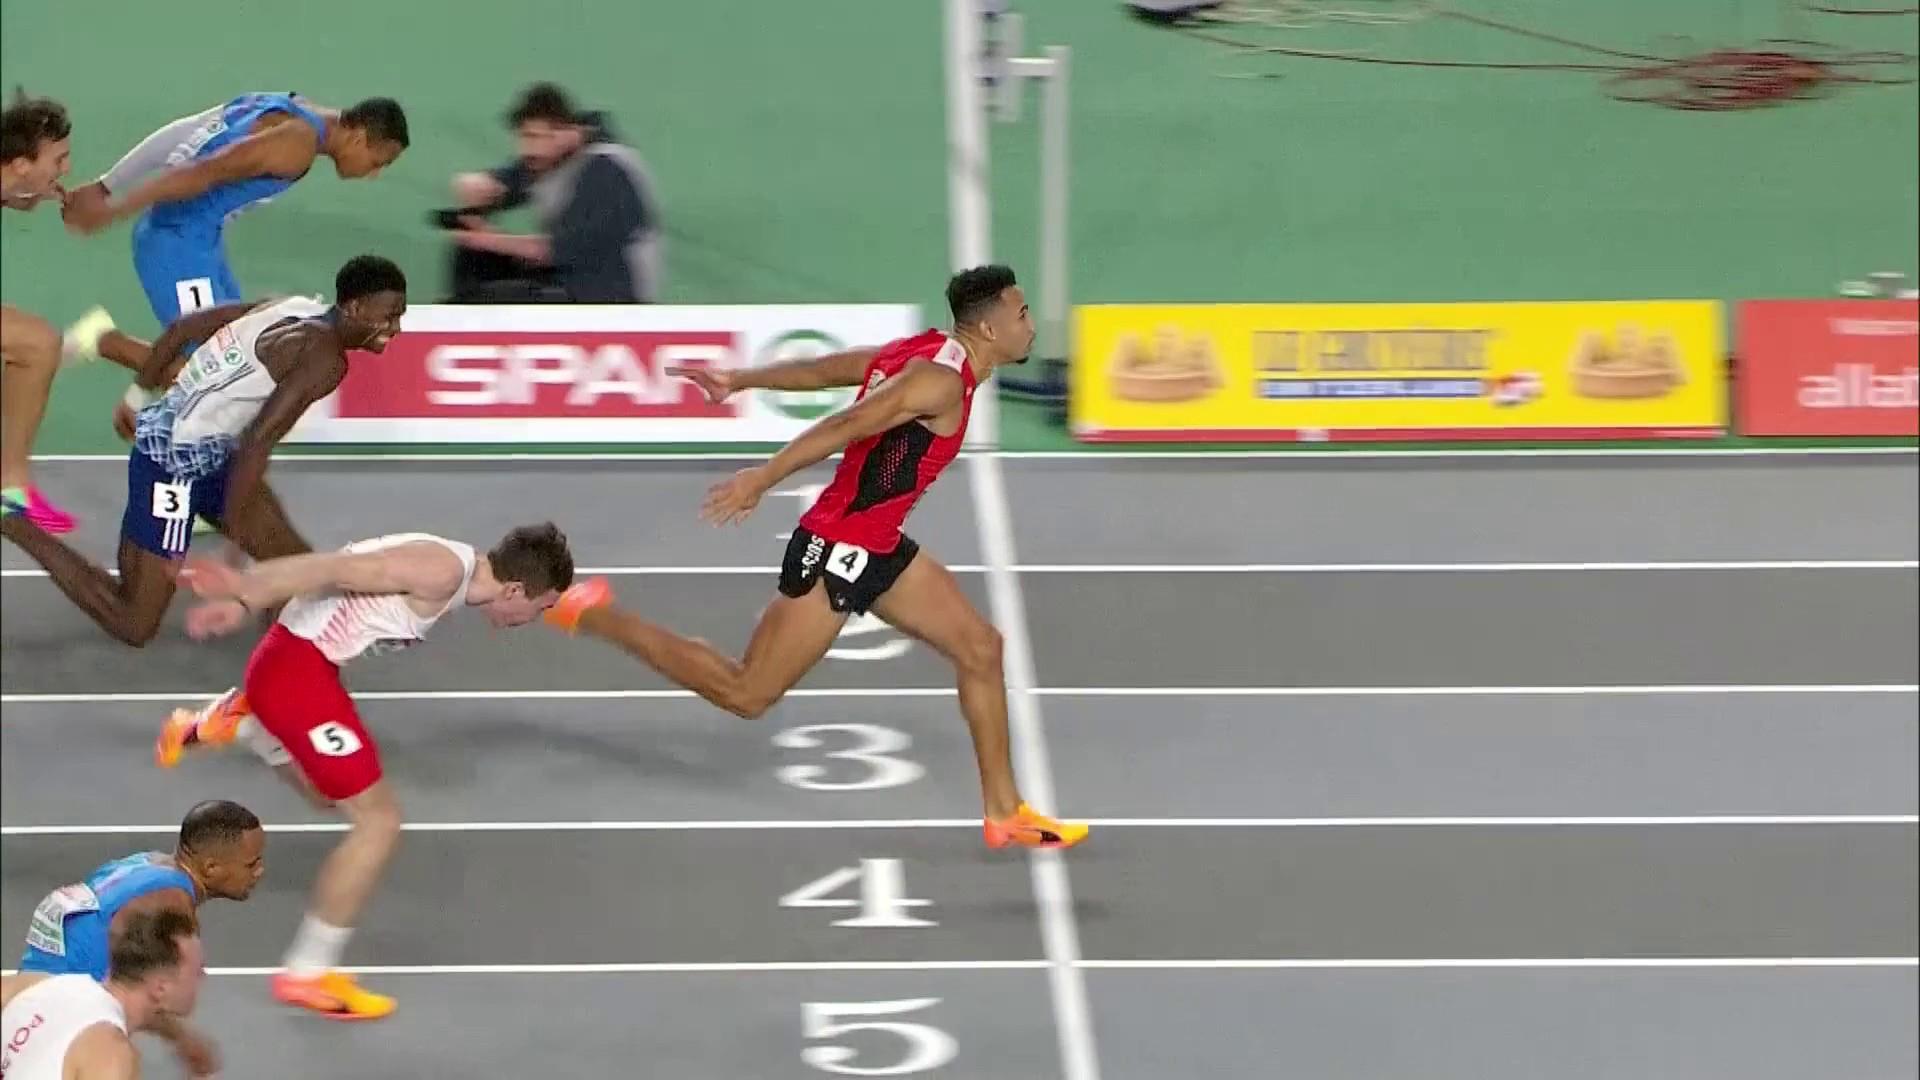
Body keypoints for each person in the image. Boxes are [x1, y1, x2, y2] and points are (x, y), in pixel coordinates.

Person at [544, 265, 1088, 850]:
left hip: (878, 543)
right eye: (1023, 313)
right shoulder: (939, 383)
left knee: (981, 649)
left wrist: (743, 378)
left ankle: (1004, 811)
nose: (1031, 325)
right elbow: (850, 421)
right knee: (746, 692)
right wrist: (764, 477)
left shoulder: (929, 352)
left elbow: (832, 367)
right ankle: (595, 613)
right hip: (838, 548)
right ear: (987, 328)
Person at [160, 524, 577, 1019]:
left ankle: (244, 723)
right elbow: (334, 567)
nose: (538, 618)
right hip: (297, 675)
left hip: (299, 669)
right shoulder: (441, 570)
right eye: (543, 606)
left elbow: (336, 581)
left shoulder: (453, 574)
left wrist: (253, 601)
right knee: (378, 822)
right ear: (514, 590)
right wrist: (248, 591)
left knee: (323, 796)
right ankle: (308, 972)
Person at [0, 254, 408, 646]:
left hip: (203, 447)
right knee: (133, 621)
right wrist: (233, 530)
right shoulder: (324, 360)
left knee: (291, 565)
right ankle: (12, 521)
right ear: (354, 308)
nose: (396, 328)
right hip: (174, 464)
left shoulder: (292, 305)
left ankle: (277, 672)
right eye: (389, 316)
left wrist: (137, 393)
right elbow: (258, 442)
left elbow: (184, 328)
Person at [57, 92, 410, 376]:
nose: (374, 174)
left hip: (202, 243)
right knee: (207, 373)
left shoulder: (284, 104)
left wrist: (107, 184)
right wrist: (114, 209)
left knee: (238, 358)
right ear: (359, 137)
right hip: (175, 246)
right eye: (378, 162)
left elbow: (185, 132)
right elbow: (200, 172)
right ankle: (106, 341)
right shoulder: (295, 144)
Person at [13, 802, 262, 1078]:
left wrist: (179, 1038)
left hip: (32, 994)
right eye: (251, 863)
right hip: (59, 1012)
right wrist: (182, 1038)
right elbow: (145, 987)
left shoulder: (148, 863)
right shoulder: (170, 905)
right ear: (211, 867)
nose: (259, 871)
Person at [1, 91, 86, 534]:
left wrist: (34, 194)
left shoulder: (9, 181)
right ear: (20, 163)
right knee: (37, 343)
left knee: (36, 345)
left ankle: (10, 487)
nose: (65, 168)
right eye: (59, 159)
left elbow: (15, 197)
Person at [1, 908, 207, 1080]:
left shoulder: (41, 984)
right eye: (197, 971)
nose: (203, 976)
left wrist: (180, 1038)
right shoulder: (112, 1056)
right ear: (161, 988)